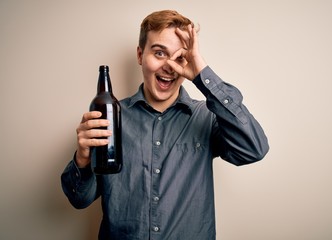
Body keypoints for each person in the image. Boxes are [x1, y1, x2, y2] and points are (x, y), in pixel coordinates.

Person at [61, 9, 269, 240]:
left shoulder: (207, 117)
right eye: (159, 53)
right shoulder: (110, 119)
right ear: (140, 55)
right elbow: (79, 199)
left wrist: (202, 74)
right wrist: (82, 159)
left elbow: (254, 149)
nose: (170, 67)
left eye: (180, 57)